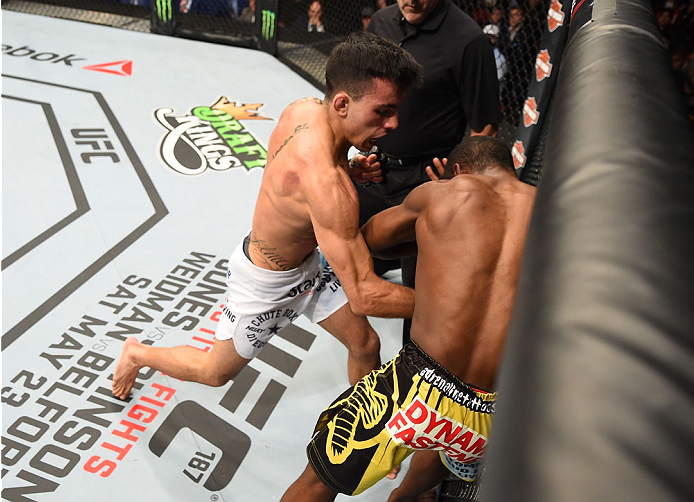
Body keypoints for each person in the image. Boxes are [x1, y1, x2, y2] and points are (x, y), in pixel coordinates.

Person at [112, 32, 422, 400]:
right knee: (215, 372)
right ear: (342, 103)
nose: (394, 124)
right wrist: (449, 304)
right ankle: (137, 353)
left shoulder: (305, 109)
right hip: (266, 281)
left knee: (366, 344)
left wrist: (349, 169)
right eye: (382, 111)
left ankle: (364, 435)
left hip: (309, 263)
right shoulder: (326, 184)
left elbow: (290, 173)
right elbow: (366, 296)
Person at [281, 136, 537, 502]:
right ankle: (406, 494)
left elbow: (370, 239)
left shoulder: (442, 193)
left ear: (458, 171)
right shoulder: (554, 214)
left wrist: (436, 227)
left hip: (417, 386)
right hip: (492, 411)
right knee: (432, 463)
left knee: (318, 481)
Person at [358, 0, 502, 344]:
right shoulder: (380, 22)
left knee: (422, 297)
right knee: (349, 267)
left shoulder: (468, 41)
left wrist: (457, 180)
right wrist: (362, 148)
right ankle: (360, 347)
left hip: (431, 182)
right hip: (375, 171)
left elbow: (485, 128)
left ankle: (415, 376)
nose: (412, 0)